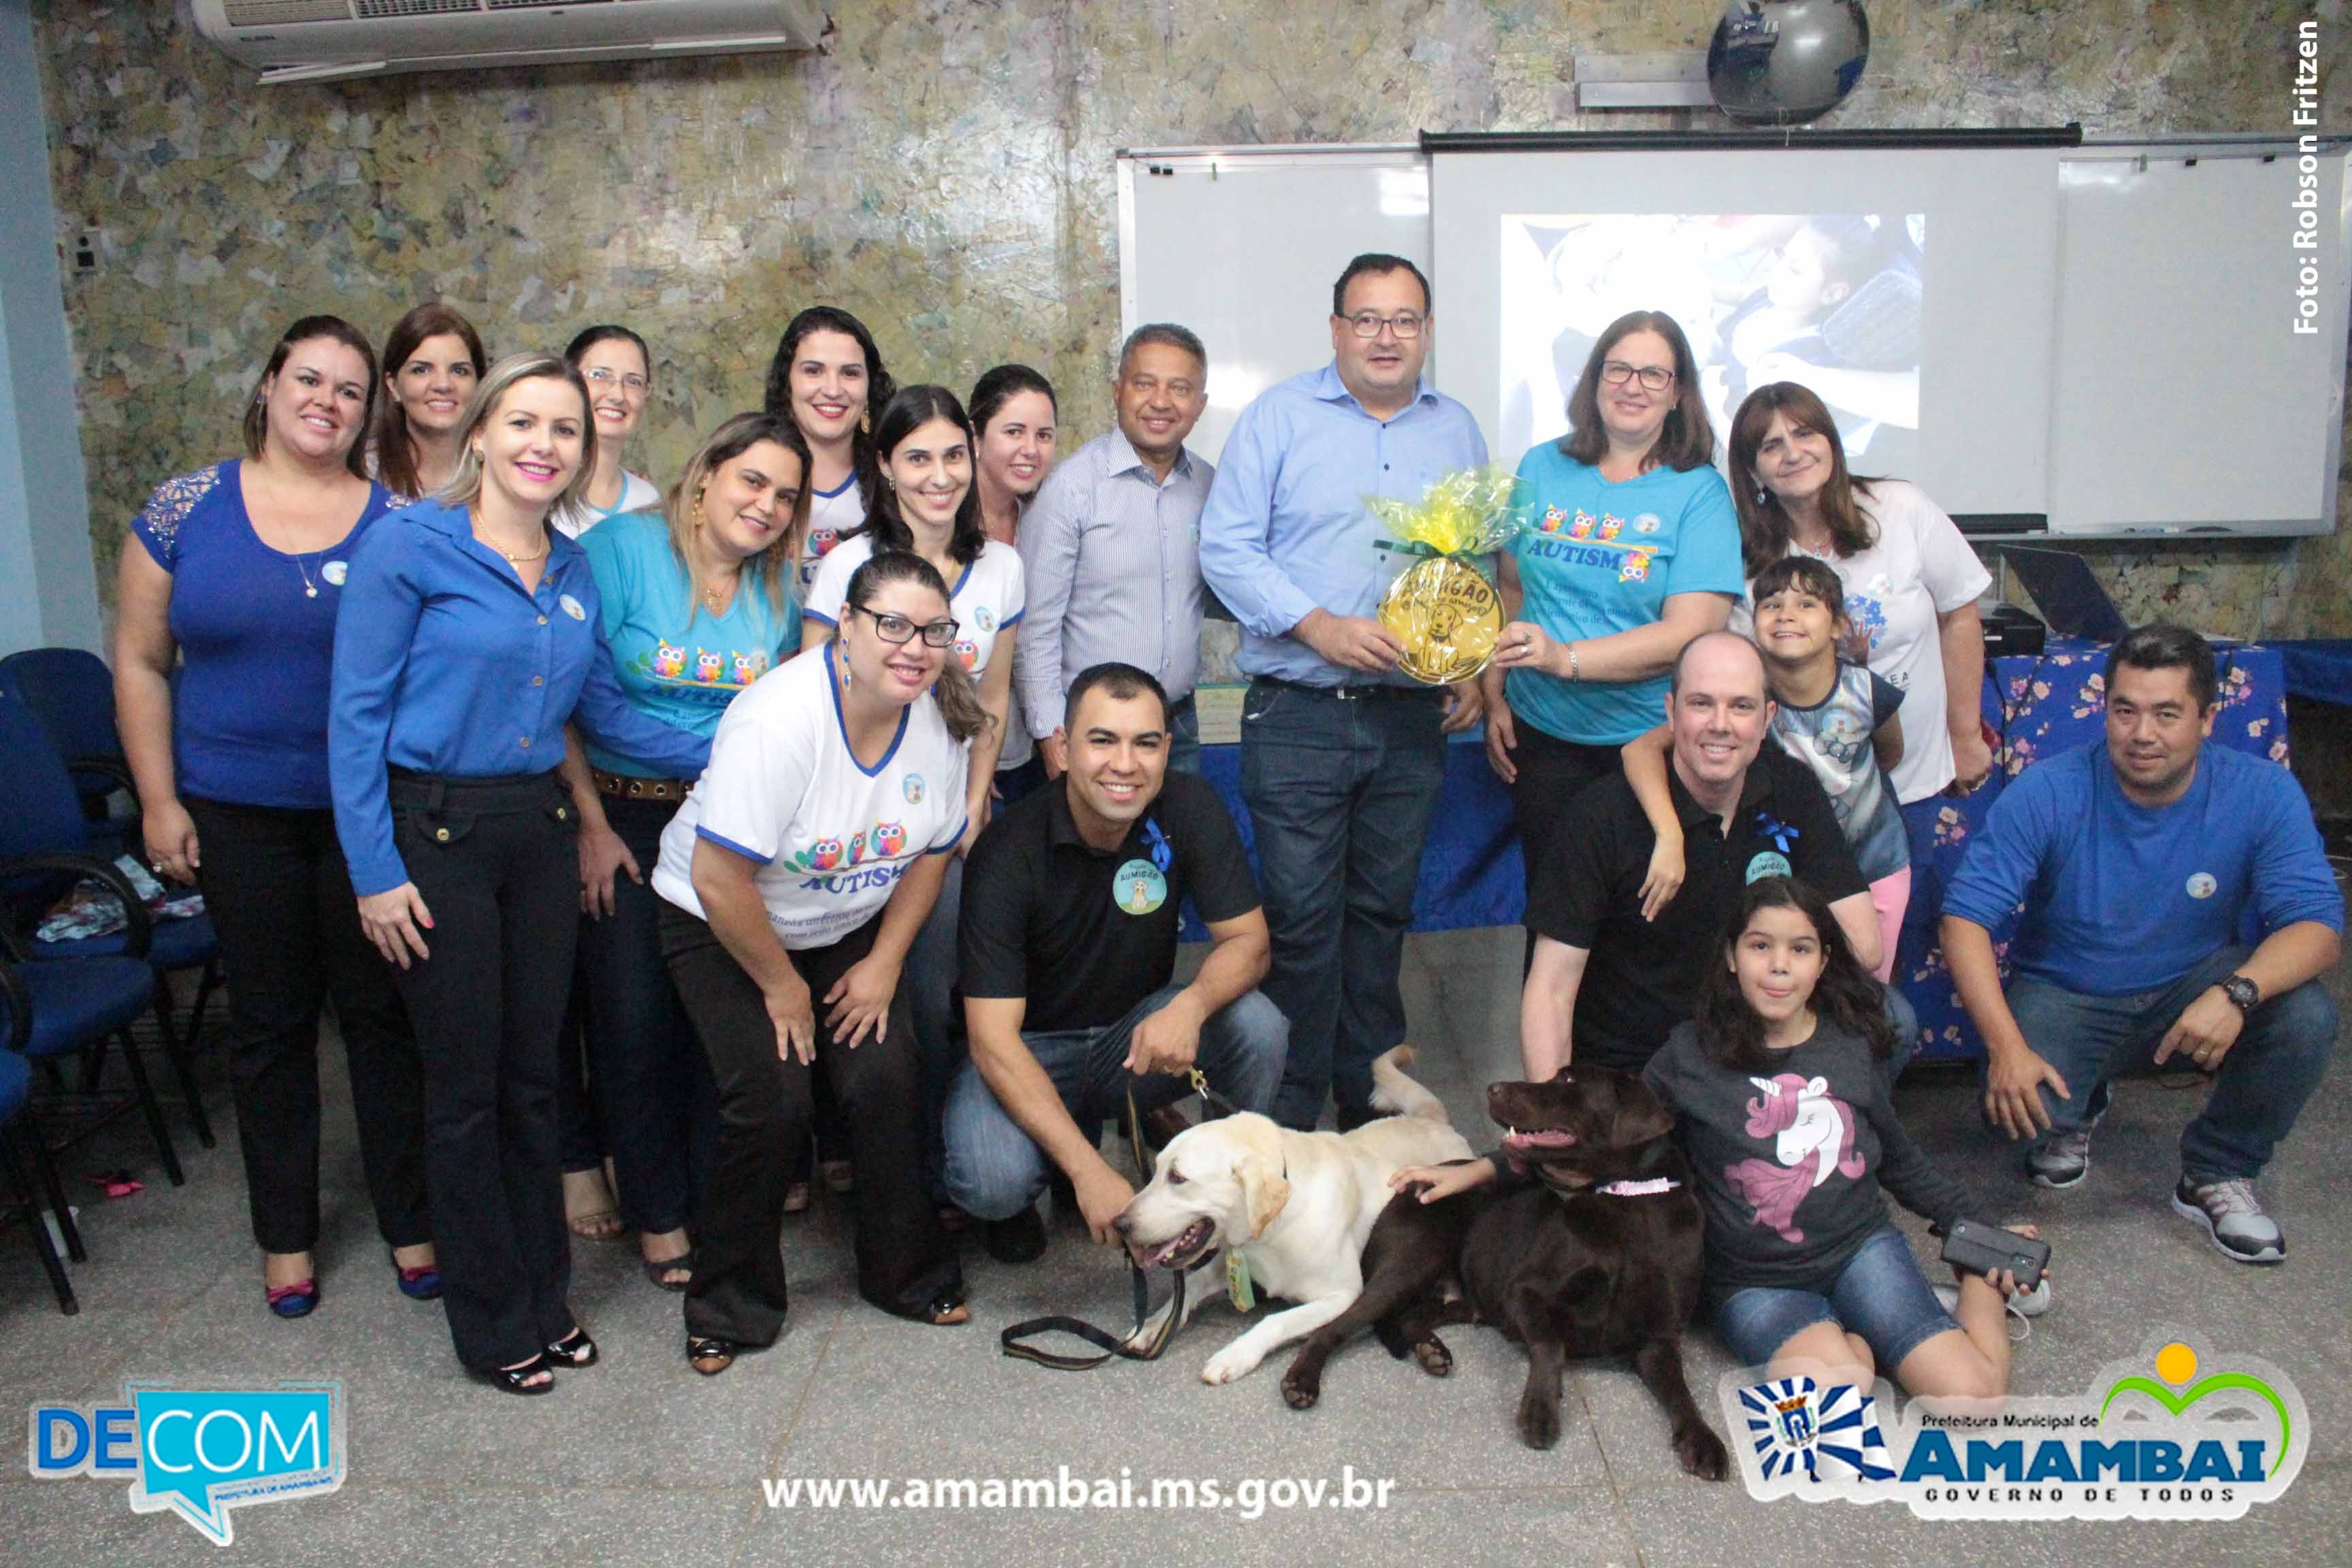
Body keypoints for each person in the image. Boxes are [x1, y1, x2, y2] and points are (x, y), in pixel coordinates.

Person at [329, 352, 714, 1394]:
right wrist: (372, 872)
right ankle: (492, 1318)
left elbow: (590, 715)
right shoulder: (409, 545)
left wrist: (734, 744)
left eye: (565, 430)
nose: (545, 445)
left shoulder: (575, 570)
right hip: (433, 832)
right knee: (465, 1090)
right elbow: (354, 719)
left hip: (537, 830)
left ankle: (546, 1297)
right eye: (525, 423)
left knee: (533, 1078)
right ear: (483, 434)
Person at [1402, 878, 2031, 1399]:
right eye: (1760, 946)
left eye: (1800, 949)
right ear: (1732, 956)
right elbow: (1592, 1134)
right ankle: (1857, 1348)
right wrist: (1483, 1169)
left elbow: (1900, 1159)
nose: (1779, 965)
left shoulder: (1850, 1045)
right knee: (1833, 1402)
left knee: (1971, 1402)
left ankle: (1975, 1283)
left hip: (1860, 1251)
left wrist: (1981, 1231)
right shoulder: (1689, 1056)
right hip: (1756, 1282)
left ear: (1823, 961)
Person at [113, 314, 434, 1320]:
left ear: (368, 411)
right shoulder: (184, 510)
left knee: (382, 1020)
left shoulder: (397, 521)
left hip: (365, 815)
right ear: (269, 386)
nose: (325, 402)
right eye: (309, 380)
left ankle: (412, 1220)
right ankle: (286, 1236)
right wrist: (159, 800)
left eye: (348, 390)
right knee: (271, 1026)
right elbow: (140, 662)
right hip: (233, 811)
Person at [651, 551, 977, 1373]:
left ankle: (904, 1275)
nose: (914, 648)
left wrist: (885, 964)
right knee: (772, 1098)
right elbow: (718, 877)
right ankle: (730, 1306)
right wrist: (781, 987)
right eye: (892, 625)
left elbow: (932, 855)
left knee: (886, 1075)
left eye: (934, 631)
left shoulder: (937, 721)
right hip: (725, 921)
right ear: (845, 631)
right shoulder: (779, 720)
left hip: (846, 921)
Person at [1941, 624, 2342, 1264]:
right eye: (2125, 711)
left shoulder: (2262, 791)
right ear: (2104, 711)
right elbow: (1964, 918)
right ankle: (2081, 1102)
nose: (2142, 733)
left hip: (2195, 989)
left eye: (2167, 714)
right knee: (2016, 1121)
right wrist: (2007, 1049)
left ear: (2208, 719)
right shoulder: (2049, 789)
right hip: (2067, 993)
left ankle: (2218, 1169)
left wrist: (2238, 994)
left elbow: (2318, 927)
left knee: (2306, 1014)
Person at [1199, 252, 1487, 1131]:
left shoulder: (1456, 429)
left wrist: (1467, 662)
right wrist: (1317, 626)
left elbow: (1468, 560)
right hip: (1298, 713)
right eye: (1367, 319)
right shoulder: (1279, 417)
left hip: (1408, 718)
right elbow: (1226, 548)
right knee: (1300, 924)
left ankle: (1371, 1119)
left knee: (1382, 916)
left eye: (1404, 320)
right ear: (1336, 330)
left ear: (1427, 331)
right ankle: (1286, 1125)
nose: (1385, 337)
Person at [553, 412, 811, 1293]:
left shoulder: (779, 589)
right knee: (632, 1024)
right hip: (622, 815)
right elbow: (584, 702)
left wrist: (748, 777)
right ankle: (657, 1213)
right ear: (706, 477)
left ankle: (710, 1198)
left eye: (786, 496)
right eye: (752, 481)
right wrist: (591, 823)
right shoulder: (619, 551)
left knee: (715, 1023)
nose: (766, 506)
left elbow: (789, 711)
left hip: (725, 828)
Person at [945, 663, 1286, 1261]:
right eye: (1102, 740)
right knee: (991, 1182)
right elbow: (992, 1040)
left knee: (1258, 1024)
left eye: (1145, 743)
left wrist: (1191, 1006)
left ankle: (1234, 1194)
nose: (1125, 764)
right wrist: (1089, 1172)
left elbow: (1249, 942)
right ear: (1062, 748)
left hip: (1132, 1041)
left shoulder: (1189, 806)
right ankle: (1043, 1176)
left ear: (1167, 750)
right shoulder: (1007, 851)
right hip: (1027, 1049)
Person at [1727, 381, 1995, 977]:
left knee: (1889, 950)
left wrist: (1965, 733)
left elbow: (1959, 614)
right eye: (1770, 445)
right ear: (1753, 471)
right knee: (1796, 954)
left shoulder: (1899, 508)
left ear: (1831, 439)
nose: (1792, 453)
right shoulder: (1744, 552)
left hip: (1910, 778)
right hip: (1799, 796)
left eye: (1804, 433)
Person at [1522, 631, 1877, 1081]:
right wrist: (1554, 1112)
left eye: (1741, 706)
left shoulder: (1793, 789)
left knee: (1892, 1021)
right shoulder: (1600, 815)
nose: (1720, 724)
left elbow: (1864, 947)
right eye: (1701, 703)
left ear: (1768, 718)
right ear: (1671, 712)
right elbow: (1550, 990)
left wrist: (1782, 968)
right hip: (1638, 1072)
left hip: (1757, 1046)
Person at [1483, 310, 1742, 901]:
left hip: (1646, 748)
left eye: (1654, 375)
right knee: (1555, 915)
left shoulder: (1699, 492)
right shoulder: (1541, 465)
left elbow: (1688, 636)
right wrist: (1495, 690)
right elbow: (1513, 586)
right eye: (1618, 369)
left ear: (1678, 394)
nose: (1633, 386)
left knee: (1641, 924)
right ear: (1595, 379)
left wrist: (1563, 658)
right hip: (1540, 738)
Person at [1621, 557, 1910, 980]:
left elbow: (1891, 753)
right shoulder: (1744, 698)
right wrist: (1669, 833)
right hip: (1795, 860)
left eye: (1806, 604)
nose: (1787, 615)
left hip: (1875, 855)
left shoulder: (1867, 691)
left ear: (1838, 625)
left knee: (1866, 977)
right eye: (1772, 605)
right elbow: (1640, 750)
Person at [1018, 323, 1215, 780]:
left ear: (1200, 405)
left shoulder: (1210, 487)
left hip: (1177, 729)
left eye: (1179, 388)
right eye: (1145, 383)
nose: (1161, 402)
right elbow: (1035, 630)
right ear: (1118, 391)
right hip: (1093, 737)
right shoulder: (1071, 488)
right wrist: (1052, 737)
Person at [968, 363, 1060, 794]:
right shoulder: (941, 520)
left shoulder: (1048, 519)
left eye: (1044, 436)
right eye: (1014, 432)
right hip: (957, 745)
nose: (1030, 450)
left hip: (1031, 742)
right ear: (975, 437)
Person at [765, 306, 895, 594]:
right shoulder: (750, 475)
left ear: (870, 387)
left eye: (850, 373)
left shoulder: (895, 479)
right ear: (786, 382)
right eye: (813, 371)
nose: (833, 390)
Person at [552, 324, 662, 537]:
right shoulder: (540, 489)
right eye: (599, 375)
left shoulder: (648, 500)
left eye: (634, 381)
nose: (617, 395)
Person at [370, 302, 485, 500]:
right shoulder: (363, 472)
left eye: (459, 371)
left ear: (479, 383)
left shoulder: (504, 473)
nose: (443, 385)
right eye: (421, 370)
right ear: (393, 385)